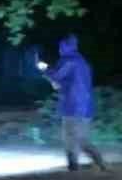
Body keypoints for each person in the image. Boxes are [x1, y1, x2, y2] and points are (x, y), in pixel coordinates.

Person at [42, 35, 107, 172]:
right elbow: (67, 82)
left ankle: (74, 166)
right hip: (86, 107)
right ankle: (99, 162)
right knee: (82, 138)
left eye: (61, 47)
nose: (59, 50)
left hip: (72, 106)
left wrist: (45, 68)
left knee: (69, 137)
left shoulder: (68, 60)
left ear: (67, 47)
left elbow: (56, 76)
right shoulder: (84, 63)